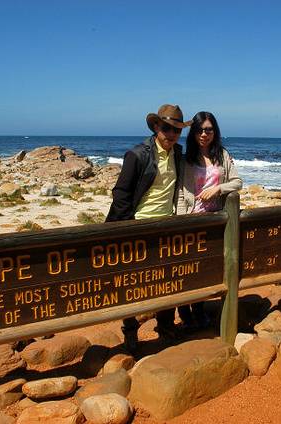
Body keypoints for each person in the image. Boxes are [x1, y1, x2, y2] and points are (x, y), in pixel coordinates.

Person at [106, 104, 190, 351]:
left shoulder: (178, 153)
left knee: (168, 279)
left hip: (166, 225)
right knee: (131, 283)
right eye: (166, 128)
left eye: (176, 130)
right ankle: (130, 331)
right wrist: (128, 228)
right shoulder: (137, 155)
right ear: (156, 127)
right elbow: (121, 194)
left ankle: (165, 326)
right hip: (138, 225)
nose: (171, 134)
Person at [176, 112, 242, 332]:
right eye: (199, 130)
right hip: (191, 219)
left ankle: (199, 310)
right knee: (187, 269)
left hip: (215, 221)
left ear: (215, 131)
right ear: (193, 133)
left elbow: (238, 182)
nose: (204, 134)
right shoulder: (186, 158)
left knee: (204, 269)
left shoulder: (222, 155)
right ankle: (185, 313)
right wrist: (181, 221)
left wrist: (218, 189)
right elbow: (179, 192)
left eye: (208, 130)